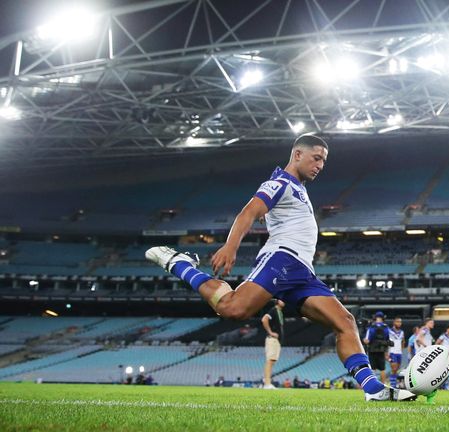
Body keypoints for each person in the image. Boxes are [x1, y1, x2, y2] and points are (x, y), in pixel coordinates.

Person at [144, 134, 415, 402]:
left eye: (324, 161)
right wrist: (230, 246)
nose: (320, 165)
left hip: (303, 272)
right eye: (316, 158)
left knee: (345, 322)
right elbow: (248, 212)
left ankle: (374, 391)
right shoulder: (280, 182)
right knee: (232, 308)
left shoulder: (299, 188)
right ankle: (179, 263)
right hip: (281, 260)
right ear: (297, 154)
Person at [261, 299, 285, 389]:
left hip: (276, 341)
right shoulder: (273, 310)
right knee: (270, 360)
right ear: (277, 301)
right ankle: (267, 383)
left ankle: (268, 382)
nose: (284, 301)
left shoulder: (279, 312)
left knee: (272, 361)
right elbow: (264, 319)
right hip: (272, 339)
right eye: (282, 300)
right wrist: (270, 332)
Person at [363, 311, 391, 385]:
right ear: (383, 318)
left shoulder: (371, 327)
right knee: (382, 369)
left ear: (375, 318)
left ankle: (373, 385)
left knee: (373, 369)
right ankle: (384, 384)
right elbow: (388, 340)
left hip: (372, 350)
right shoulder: (386, 328)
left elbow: (367, 340)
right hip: (381, 350)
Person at [387, 317, 406, 388]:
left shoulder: (402, 332)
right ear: (394, 322)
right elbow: (387, 341)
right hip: (392, 352)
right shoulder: (389, 331)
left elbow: (403, 341)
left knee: (396, 370)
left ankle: (394, 384)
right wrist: (386, 353)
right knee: (394, 369)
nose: (399, 323)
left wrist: (402, 349)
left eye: (400, 322)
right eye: (397, 322)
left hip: (399, 353)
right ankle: (393, 386)